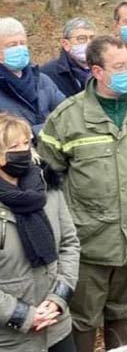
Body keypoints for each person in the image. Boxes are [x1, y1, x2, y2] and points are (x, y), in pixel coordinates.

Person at [37, 35, 127, 352]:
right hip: (89, 242)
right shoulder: (67, 118)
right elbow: (49, 177)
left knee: (123, 311)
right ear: (96, 71)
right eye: (118, 66)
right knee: (83, 318)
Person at [0, 113, 80, 352]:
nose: (23, 152)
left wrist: (59, 300)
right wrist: (23, 315)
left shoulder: (48, 189)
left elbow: (69, 244)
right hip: (10, 340)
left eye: (27, 143)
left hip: (56, 327)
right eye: (14, 147)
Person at [0, 18, 65, 136]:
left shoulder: (43, 81)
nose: (19, 48)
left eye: (22, 43)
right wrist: (39, 132)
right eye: (12, 45)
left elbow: (67, 113)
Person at [41, 18, 96, 97]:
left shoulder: (104, 69)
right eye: (81, 39)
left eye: (92, 38)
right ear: (66, 44)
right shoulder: (47, 74)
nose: (89, 43)